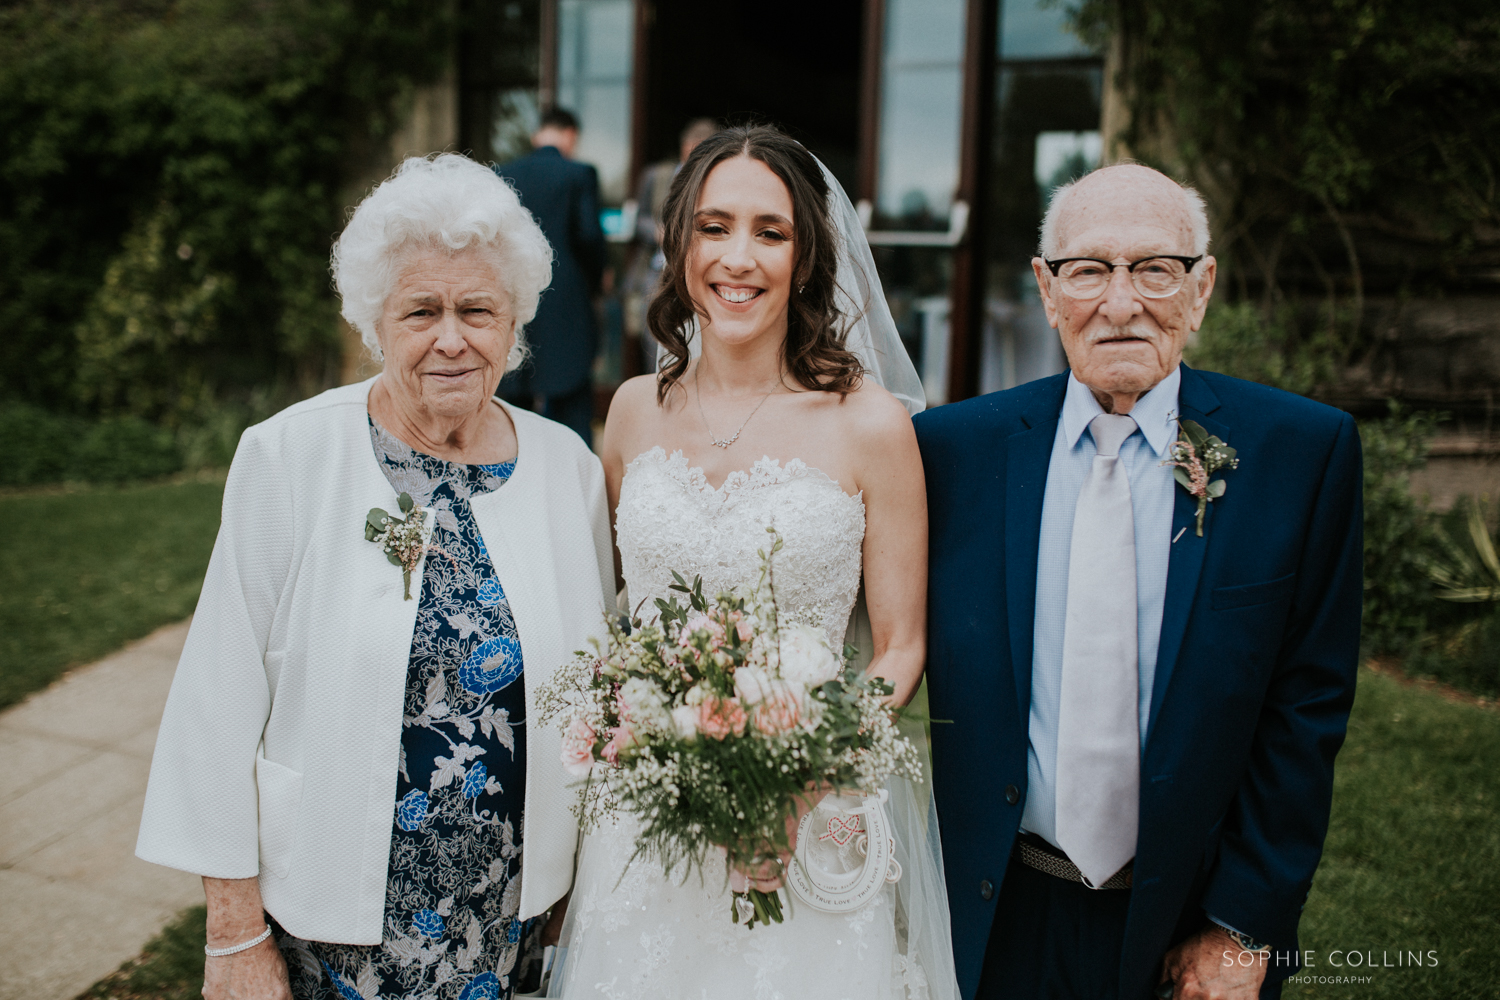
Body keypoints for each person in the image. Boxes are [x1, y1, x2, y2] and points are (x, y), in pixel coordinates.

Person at [135, 153, 615, 1000]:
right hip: (339, 928)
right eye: (421, 310)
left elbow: (595, 696)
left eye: (478, 309)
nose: (452, 338)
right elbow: (216, 704)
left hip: (513, 926)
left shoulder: (567, 470)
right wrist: (234, 938)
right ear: (375, 321)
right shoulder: (291, 456)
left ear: (515, 324)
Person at [916, 164, 1363, 1000]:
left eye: (1154, 269)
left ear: (1201, 290)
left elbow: (1307, 705)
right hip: (994, 911)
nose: (1120, 303)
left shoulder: (1302, 454)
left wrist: (1242, 924)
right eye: (1088, 270)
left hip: (1189, 925)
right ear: (1048, 291)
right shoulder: (952, 454)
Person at [545, 125, 957, 999]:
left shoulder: (870, 425)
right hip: (645, 828)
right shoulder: (629, 413)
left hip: (807, 821)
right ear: (679, 241)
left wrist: (802, 779)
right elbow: (617, 627)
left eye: (770, 232)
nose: (739, 257)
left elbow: (901, 648)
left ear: (808, 257)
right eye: (714, 226)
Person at [494, 107, 605, 446]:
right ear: (570, 135)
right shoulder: (578, 174)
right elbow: (588, 235)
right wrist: (598, 281)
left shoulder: (503, 173)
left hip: (513, 293)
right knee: (570, 402)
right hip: (566, 300)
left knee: (510, 401)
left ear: (536, 134)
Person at [625, 117, 718, 372]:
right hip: (656, 272)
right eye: (695, 147)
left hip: (700, 271)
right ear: (685, 146)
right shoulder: (656, 176)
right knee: (654, 338)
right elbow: (636, 220)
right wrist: (658, 232)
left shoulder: (717, 181)